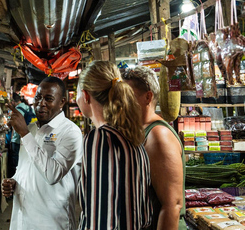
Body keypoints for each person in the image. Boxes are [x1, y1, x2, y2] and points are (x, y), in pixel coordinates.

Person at [76, 61, 152, 230]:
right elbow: (145, 215)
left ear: (86, 95)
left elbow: (101, 219)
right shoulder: (132, 137)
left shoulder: (100, 139)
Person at [2, 77, 83, 230]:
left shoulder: (70, 132)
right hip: (22, 220)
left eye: (49, 98)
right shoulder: (31, 128)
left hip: (51, 222)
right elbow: (25, 169)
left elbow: (52, 175)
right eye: (38, 97)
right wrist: (14, 182)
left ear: (62, 102)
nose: (41, 103)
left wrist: (25, 134)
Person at [123, 66, 186, 230]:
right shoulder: (141, 130)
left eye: (127, 96)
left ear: (148, 97)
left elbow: (172, 205)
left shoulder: (159, 136)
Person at [6, 92, 36, 177]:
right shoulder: (29, 108)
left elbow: (15, 125)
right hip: (28, 139)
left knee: (15, 164)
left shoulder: (18, 109)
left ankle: (14, 181)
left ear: (12, 102)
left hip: (18, 140)